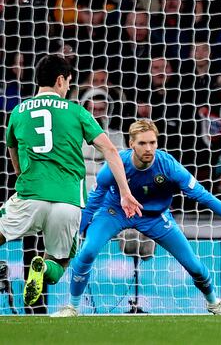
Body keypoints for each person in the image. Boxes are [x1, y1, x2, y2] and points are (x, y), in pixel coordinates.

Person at [51, 120, 221, 317]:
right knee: (87, 251)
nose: (149, 148)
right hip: (115, 211)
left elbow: (203, 195)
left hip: (155, 216)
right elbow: (96, 198)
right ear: (131, 143)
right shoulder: (116, 163)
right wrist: (78, 229)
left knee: (195, 266)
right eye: (143, 143)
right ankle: (72, 306)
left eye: (153, 142)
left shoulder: (168, 165)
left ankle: (214, 303)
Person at [2, 55, 141, 307]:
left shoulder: (18, 112)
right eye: (67, 83)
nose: (68, 88)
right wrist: (125, 191)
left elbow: (13, 155)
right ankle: (42, 267)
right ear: (59, 80)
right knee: (60, 262)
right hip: (68, 202)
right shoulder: (77, 112)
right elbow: (110, 151)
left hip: (30, 196)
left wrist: (24, 177)